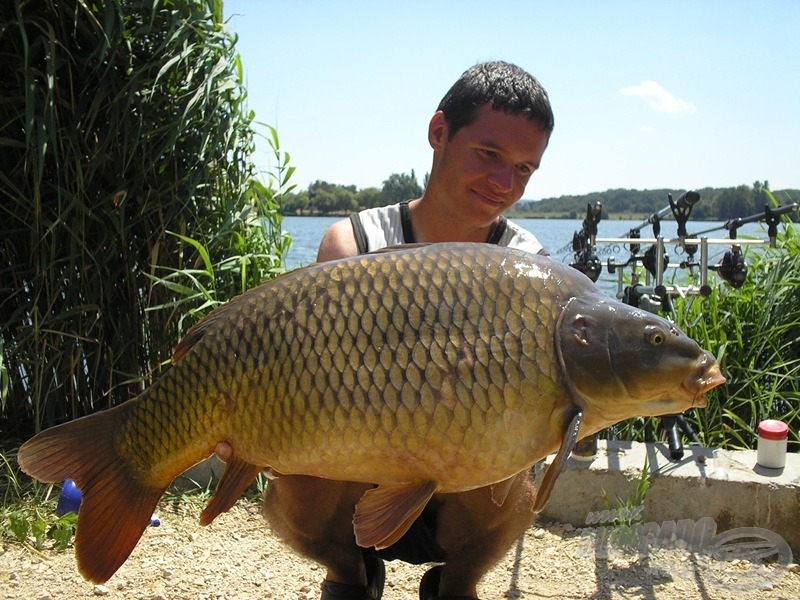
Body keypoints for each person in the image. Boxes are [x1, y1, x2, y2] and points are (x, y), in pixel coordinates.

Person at [220, 60, 555, 600]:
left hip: (462, 495)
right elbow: (306, 390)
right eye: (490, 155)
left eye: (523, 170)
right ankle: (350, 575)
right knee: (292, 467)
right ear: (438, 132)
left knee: (509, 469)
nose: (503, 184)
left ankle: (456, 585)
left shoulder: (527, 269)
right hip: (354, 486)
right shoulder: (352, 246)